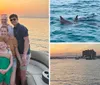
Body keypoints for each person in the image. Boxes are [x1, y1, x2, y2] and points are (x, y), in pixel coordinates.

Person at [9, 14, 31, 85]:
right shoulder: (14, 29)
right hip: (18, 54)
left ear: (17, 19)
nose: (13, 21)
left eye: (14, 19)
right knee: (18, 72)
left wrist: (24, 55)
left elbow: (27, 41)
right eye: (11, 20)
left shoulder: (22, 28)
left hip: (24, 54)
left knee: (22, 74)